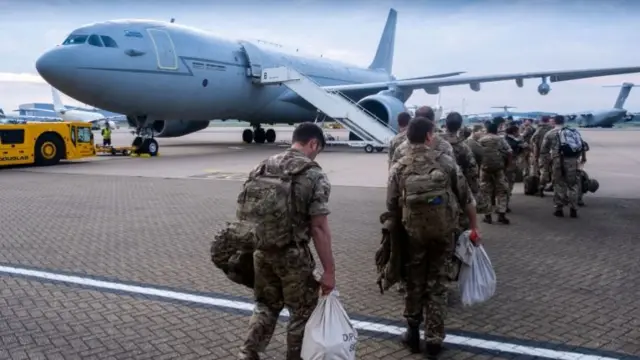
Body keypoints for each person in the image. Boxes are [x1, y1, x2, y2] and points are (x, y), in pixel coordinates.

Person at [238, 123, 336, 360]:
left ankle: (247, 353)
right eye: (317, 149)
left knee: (265, 306)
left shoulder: (262, 166)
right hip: (292, 256)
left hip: (261, 251)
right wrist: (329, 271)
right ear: (313, 143)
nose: (316, 154)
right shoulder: (313, 174)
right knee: (301, 312)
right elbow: (319, 227)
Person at [387, 117, 479, 357]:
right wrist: (474, 227)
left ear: (407, 136)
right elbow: (466, 198)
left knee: (413, 282)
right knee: (437, 284)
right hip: (442, 233)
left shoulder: (399, 165)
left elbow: (391, 206)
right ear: (429, 136)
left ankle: (412, 334)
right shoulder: (446, 162)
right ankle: (435, 339)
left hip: (412, 235)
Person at [540, 115, 586, 218]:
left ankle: (559, 209)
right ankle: (573, 209)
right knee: (573, 185)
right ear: (564, 121)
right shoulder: (572, 131)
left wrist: (546, 164)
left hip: (557, 161)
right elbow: (581, 146)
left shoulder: (550, 133)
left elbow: (544, 150)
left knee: (558, 184)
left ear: (553, 122)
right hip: (572, 161)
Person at [387, 111, 412, 293]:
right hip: (433, 206)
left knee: (403, 243)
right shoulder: (440, 146)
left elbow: (392, 171)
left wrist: (392, 205)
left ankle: (403, 280)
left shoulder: (396, 142)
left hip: (403, 200)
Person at [478, 121, 512, 224]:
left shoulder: (481, 140)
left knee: (485, 191)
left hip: (485, 169)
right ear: (496, 130)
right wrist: (508, 165)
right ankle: (501, 214)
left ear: (487, 130)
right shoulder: (500, 139)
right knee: (502, 190)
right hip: (499, 169)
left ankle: (487, 216)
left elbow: (476, 153)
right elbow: (509, 152)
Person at [503, 124, 527, 213]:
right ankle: (504, 204)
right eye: (518, 131)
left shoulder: (503, 139)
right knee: (509, 183)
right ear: (514, 132)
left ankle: (500, 203)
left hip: (502, 165)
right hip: (510, 165)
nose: (519, 133)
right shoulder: (513, 142)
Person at [530, 116, 554, 196]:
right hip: (555, 153)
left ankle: (541, 187)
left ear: (541, 120)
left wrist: (535, 156)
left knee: (544, 171)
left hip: (543, 153)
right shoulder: (553, 129)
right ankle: (553, 186)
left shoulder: (539, 130)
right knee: (555, 171)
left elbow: (534, 142)